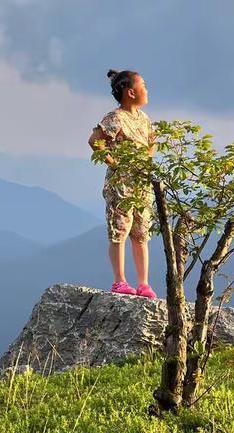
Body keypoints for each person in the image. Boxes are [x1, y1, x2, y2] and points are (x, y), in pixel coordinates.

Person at [88, 69, 157, 299]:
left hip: (141, 184)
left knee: (141, 232)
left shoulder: (144, 119)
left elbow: (150, 144)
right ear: (130, 92)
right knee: (119, 230)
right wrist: (114, 163)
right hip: (121, 184)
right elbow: (95, 140)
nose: (146, 90)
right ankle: (120, 280)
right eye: (143, 86)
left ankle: (143, 283)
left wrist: (146, 165)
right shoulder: (115, 118)